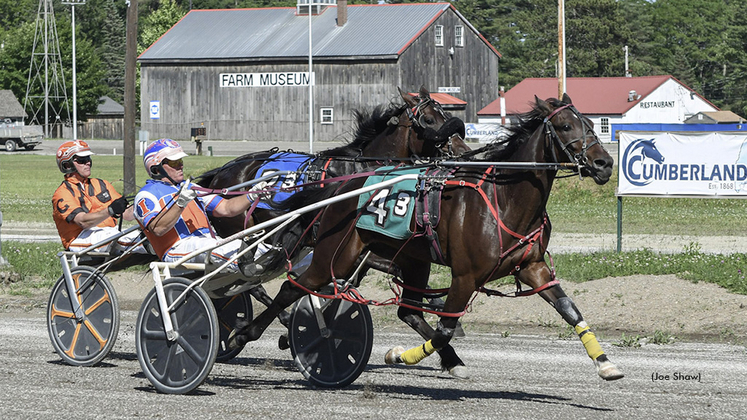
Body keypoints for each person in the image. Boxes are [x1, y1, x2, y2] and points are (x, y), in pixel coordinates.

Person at [133, 138, 269, 275]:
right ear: (156, 168)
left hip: (207, 243)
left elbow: (227, 208)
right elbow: (158, 229)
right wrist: (180, 203)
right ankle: (240, 260)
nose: (180, 165)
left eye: (180, 161)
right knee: (219, 247)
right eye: (174, 162)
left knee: (264, 249)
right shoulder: (146, 195)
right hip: (177, 249)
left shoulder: (190, 188)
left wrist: (253, 194)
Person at [52, 140, 145, 253]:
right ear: (67, 165)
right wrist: (110, 210)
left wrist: (144, 201)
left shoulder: (101, 184)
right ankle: (148, 244)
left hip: (108, 233)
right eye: (82, 160)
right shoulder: (63, 193)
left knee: (143, 234)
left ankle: (152, 244)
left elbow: (127, 214)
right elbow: (83, 222)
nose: (88, 163)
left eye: (88, 159)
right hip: (80, 238)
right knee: (117, 237)